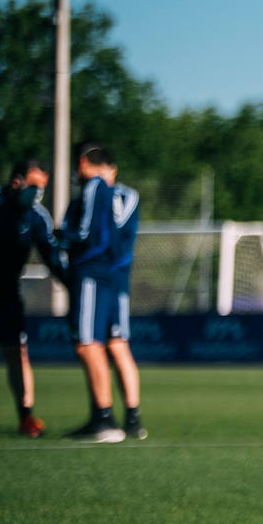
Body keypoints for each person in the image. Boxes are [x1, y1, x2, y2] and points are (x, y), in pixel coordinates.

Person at [0, 160, 59, 437]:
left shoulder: (38, 216)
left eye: (43, 186)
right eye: (34, 185)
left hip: (5, 296)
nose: (38, 192)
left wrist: (71, 284)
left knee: (17, 354)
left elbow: (52, 257)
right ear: (16, 181)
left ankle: (26, 417)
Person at [57, 143, 125, 443]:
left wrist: (59, 236)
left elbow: (85, 233)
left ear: (83, 161)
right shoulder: (107, 190)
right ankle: (100, 417)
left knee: (88, 344)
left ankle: (105, 419)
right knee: (91, 344)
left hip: (91, 272)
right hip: (102, 274)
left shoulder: (94, 186)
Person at [101, 158, 146, 440]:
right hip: (91, 281)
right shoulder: (87, 196)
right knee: (95, 348)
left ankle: (132, 416)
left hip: (113, 281)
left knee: (117, 345)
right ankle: (103, 415)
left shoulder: (124, 195)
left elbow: (116, 224)